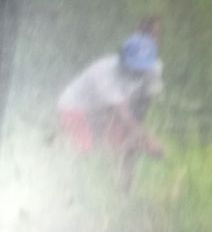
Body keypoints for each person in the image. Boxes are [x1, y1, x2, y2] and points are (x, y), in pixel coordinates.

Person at [57, 32, 165, 191]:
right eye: (134, 65)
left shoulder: (153, 69)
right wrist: (149, 141)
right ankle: (70, 187)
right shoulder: (104, 73)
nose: (137, 70)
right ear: (122, 58)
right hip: (77, 108)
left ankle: (124, 191)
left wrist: (139, 135)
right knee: (85, 151)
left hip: (110, 109)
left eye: (142, 66)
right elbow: (123, 113)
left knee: (128, 144)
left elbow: (143, 103)